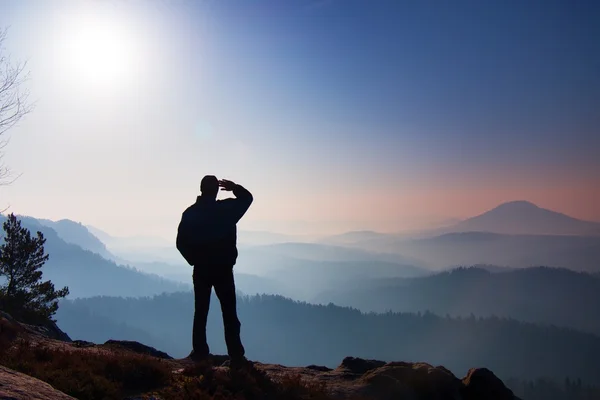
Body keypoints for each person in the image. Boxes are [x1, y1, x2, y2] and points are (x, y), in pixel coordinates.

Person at [176, 175, 253, 367]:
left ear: (201, 189)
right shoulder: (226, 210)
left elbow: (181, 243)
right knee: (229, 312)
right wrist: (235, 187)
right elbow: (247, 199)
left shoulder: (191, 213)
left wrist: (194, 259)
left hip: (202, 269)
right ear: (217, 189)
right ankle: (236, 355)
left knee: (201, 311)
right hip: (223, 269)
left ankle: (200, 352)